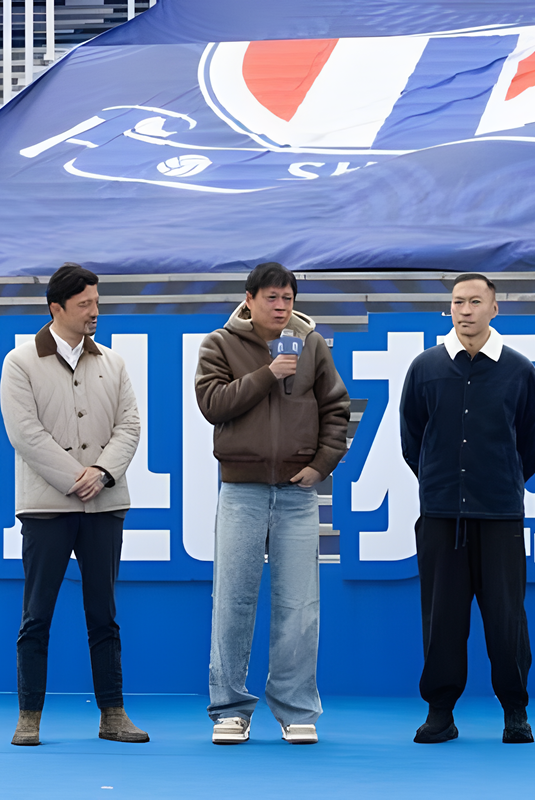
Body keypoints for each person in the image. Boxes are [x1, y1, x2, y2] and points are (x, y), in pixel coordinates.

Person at [195, 262, 350, 745]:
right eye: (271, 298)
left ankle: (296, 709)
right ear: (249, 299)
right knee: (233, 602)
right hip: (241, 490)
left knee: (300, 605)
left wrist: (321, 465)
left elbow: (336, 409)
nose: (281, 307)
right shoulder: (219, 344)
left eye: (287, 298)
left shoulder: (312, 345)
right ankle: (229, 710)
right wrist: (268, 374)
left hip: (298, 493)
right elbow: (212, 404)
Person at [399, 273, 535, 745]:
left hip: (500, 515)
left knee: (507, 619)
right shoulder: (425, 368)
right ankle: (440, 713)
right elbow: (412, 439)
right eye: (457, 302)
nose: (465, 310)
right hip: (441, 515)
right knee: (442, 619)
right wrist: (440, 481)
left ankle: (515, 712)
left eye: (475, 302)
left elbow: (534, 438)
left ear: (494, 309)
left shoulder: (518, 370)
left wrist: (502, 480)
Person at [0, 263, 147, 746]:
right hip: (46, 507)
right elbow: (25, 433)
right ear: (56, 308)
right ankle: (29, 717)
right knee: (37, 614)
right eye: (85, 304)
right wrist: (75, 478)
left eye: (96, 302)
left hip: (104, 504)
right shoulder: (20, 362)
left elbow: (130, 426)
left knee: (104, 614)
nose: (94, 312)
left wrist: (101, 473)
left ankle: (113, 714)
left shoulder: (113, 363)